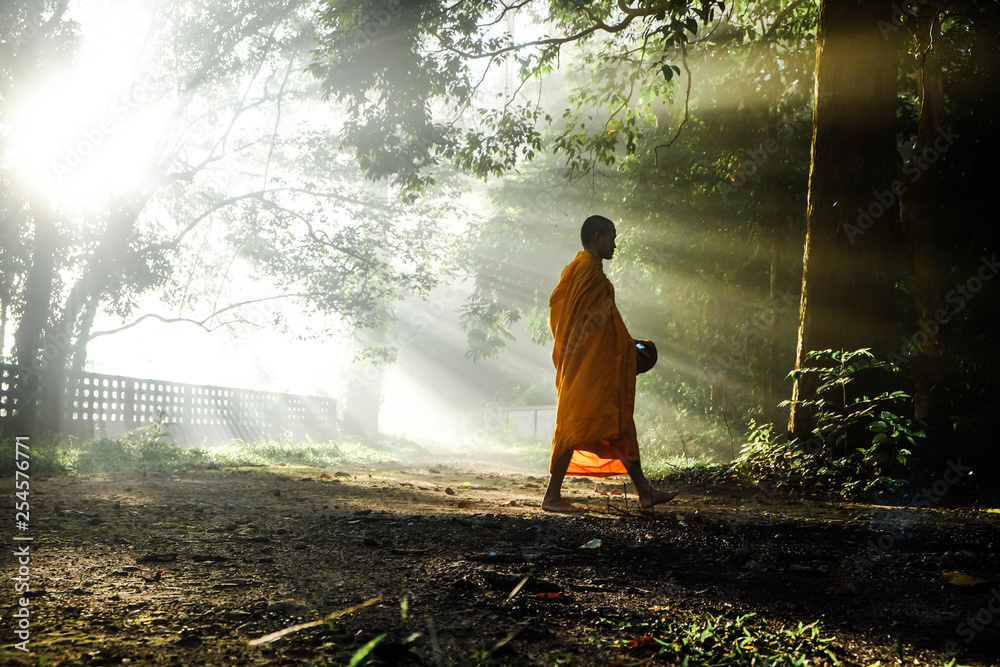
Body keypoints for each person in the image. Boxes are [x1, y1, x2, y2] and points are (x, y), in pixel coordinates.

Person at [542, 215, 679, 513]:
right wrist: (626, 350)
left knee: (619, 424)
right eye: (612, 237)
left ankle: (645, 492)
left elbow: (577, 317)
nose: (615, 244)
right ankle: (551, 497)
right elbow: (588, 325)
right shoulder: (587, 272)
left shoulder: (584, 270)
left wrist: (626, 347)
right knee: (573, 422)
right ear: (597, 237)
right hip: (585, 367)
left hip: (593, 366)